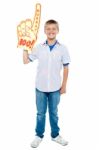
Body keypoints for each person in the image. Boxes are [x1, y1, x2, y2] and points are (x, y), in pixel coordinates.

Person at [23, 20, 70, 148]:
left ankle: (55, 135)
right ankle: (39, 136)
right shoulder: (38, 47)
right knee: (40, 113)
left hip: (55, 88)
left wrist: (64, 85)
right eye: (48, 29)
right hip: (40, 88)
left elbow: (66, 68)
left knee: (54, 112)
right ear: (45, 31)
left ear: (57, 30)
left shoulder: (63, 48)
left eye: (53, 29)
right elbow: (26, 61)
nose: (51, 31)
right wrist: (25, 47)